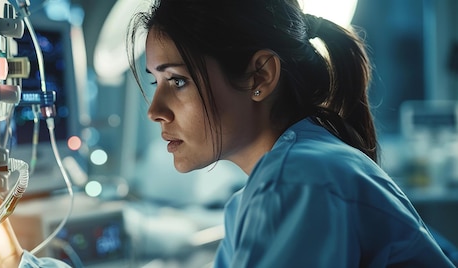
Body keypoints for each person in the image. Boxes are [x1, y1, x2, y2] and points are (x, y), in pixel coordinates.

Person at [126, 0, 457, 267]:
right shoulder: (265, 192)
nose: (155, 111)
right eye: (157, 82)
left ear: (260, 77)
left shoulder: (298, 181)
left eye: (178, 81)